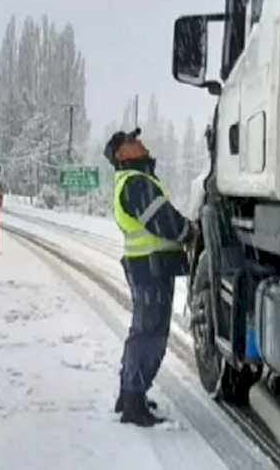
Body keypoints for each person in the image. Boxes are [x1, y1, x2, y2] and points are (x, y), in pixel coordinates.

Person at [105, 128, 196, 427]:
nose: (140, 141)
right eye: (131, 141)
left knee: (144, 330)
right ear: (120, 155)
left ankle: (131, 393)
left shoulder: (137, 180)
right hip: (150, 267)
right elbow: (163, 221)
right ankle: (133, 401)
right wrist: (191, 232)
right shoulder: (136, 182)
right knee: (150, 333)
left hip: (148, 265)